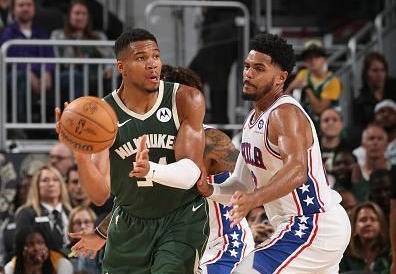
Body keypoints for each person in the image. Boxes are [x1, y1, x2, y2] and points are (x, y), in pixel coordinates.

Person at [69, 64, 255, 274]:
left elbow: (250, 179)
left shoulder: (210, 140)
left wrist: (264, 202)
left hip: (221, 243)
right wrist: (102, 234)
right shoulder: (144, 142)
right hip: (174, 242)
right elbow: (137, 202)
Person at [55, 28, 208, 274]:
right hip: (129, 222)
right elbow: (99, 195)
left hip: (181, 219)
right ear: (121, 67)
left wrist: (152, 170)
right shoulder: (104, 114)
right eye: (141, 58)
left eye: (156, 56)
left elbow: (191, 171)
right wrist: (80, 153)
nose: (152, 64)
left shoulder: (185, 99)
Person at [197, 32, 351, 273]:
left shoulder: (285, 113)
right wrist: (210, 190)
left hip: (312, 224)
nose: (248, 73)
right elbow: (241, 185)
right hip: (297, 227)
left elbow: (297, 170)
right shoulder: (252, 121)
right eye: (247, 66)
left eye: (259, 68)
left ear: (281, 78)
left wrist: (254, 199)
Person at [189, 0, 254, 124]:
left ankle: (219, 124)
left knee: (208, 75)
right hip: (212, 35)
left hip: (230, 33)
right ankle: (212, 120)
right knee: (210, 77)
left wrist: (211, 7)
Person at [0, 0, 54, 123]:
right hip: (13, 76)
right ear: (13, 10)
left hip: (40, 76)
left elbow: (49, 56)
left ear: (34, 9)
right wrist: (28, 74)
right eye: (21, 5)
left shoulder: (42, 33)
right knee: (20, 77)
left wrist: (47, 73)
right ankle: (19, 124)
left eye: (28, 5)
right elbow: (9, 60)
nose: (25, 8)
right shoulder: (7, 33)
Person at [50, 0, 115, 101]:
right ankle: (78, 114)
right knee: (77, 77)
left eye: (84, 14)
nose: (80, 17)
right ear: (69, 16)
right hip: (69, 73)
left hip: (96, 75)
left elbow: (112, 59)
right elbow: (57, 59)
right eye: (77, 13)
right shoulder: (58, 35)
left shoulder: (99, 36)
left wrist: (110, 69)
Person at [15, 165, 71, 253]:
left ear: (61, 184)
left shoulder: (71, 212)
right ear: (36, 186)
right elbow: (21, 246)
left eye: (55, 180)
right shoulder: (26, 213)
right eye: (45, 180)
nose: (51, 184)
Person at [286, 39, 342, 126]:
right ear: (305, 61)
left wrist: (307, 88)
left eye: (317, 56)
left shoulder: (333, 81)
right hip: (304, 122)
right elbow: (286, 96)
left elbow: (319, 109)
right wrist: (290, 88)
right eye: (309, 57)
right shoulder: (303, 73)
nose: (313, 60)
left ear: (325, 59)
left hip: (326, 125)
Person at [340, 201, 391, 273]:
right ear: (354, 227)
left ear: (381, 226)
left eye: (373, 219)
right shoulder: (343, 256)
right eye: (363, 220)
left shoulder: (389, 255)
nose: (368, 223)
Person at [4, 225, 73, 274]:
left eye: (40, 243)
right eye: (30, 244)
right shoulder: (10, 268)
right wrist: (29, 268)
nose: (36, 248)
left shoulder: (61, 264)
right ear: (21, 249)